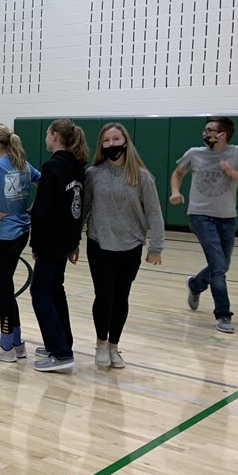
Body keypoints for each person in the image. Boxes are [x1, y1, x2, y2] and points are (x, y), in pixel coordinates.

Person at [83, 123, 165, 369]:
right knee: (104, 295)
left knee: (121, 297)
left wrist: (156, 247)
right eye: (106, 141)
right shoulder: (93, 174)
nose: (111, 145)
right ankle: (100, 343)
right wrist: (73, 242)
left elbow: (155, 213)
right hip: (99, 243)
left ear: (125, 142)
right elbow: (84, 208)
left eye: (115, 139)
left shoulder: (142, 177)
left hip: (130, 247)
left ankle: (114, 346)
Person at [170, 116, 238, 333]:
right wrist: (175, 191)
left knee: (222, 264)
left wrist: (232, 173)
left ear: (223, 135)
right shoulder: (194, 153)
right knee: (219, 268)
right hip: (200, 216)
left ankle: (196, 284)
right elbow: (178, 172)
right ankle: (223, 315)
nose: (205, 133)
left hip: (227, 217)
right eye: (205, 129)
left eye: (210, 130)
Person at [0, 124, 41, 363]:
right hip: (21, 231)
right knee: (6, 287)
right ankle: (17, 343)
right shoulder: (22, 164)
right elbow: (43, 183)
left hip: (1, 236)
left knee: (3, 289)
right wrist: (32, 209)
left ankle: (5, 347)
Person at [29, 119, 88, 373]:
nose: (45, 139)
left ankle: (61, 353)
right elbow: (77, 210)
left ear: (54, 136)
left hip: (51, 241)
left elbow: (43, 211)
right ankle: (62, 343)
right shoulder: (76, 168)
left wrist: (35, 243)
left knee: (39, 292)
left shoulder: (52, 167)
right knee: (55, 289)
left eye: (47, 134)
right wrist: (75, 241)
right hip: (65, 239)